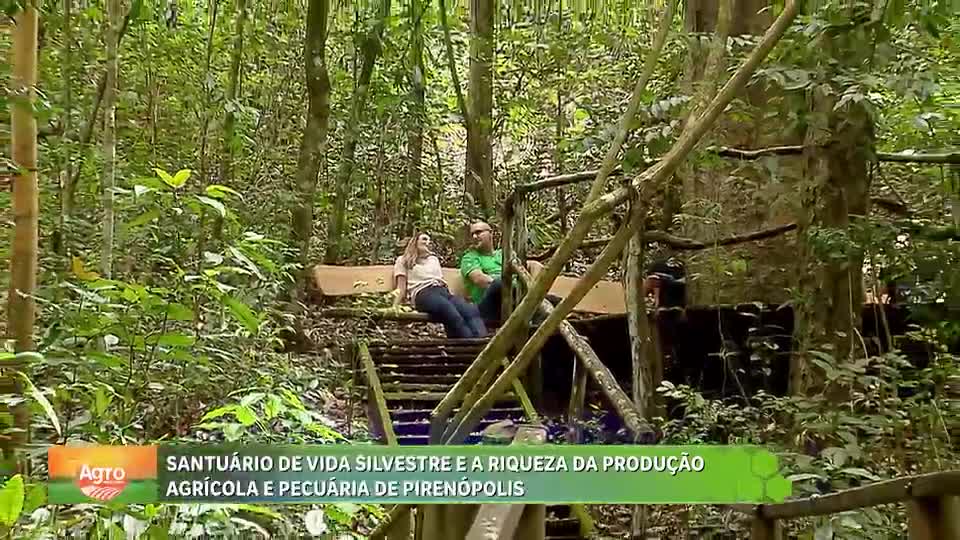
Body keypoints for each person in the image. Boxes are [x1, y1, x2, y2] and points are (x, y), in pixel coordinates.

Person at [392, 231, 487, 339]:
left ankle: (482, 341)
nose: (428, 242)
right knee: (449, 310)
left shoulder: (433, 259)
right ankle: (471, 344)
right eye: (424, 239)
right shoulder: (403, 260)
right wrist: (394, 308)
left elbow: (440, 281)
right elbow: (401, 287)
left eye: (429, 240)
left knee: (469, 310)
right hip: (423, 293)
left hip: (442, 291)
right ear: (414, 242)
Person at [460, 220, 556, 324]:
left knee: (554, 299)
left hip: (517, 299)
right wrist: (514, 287)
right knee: (498, 283)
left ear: (490, 233)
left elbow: (531, 265)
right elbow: (480, 279)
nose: (474, 237)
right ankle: (533, 310)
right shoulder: (469, 257)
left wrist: (531, 288)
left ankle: (536, 307)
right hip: (490, 306)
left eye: (478, 232)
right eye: (472, 234)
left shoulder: (504, 253)